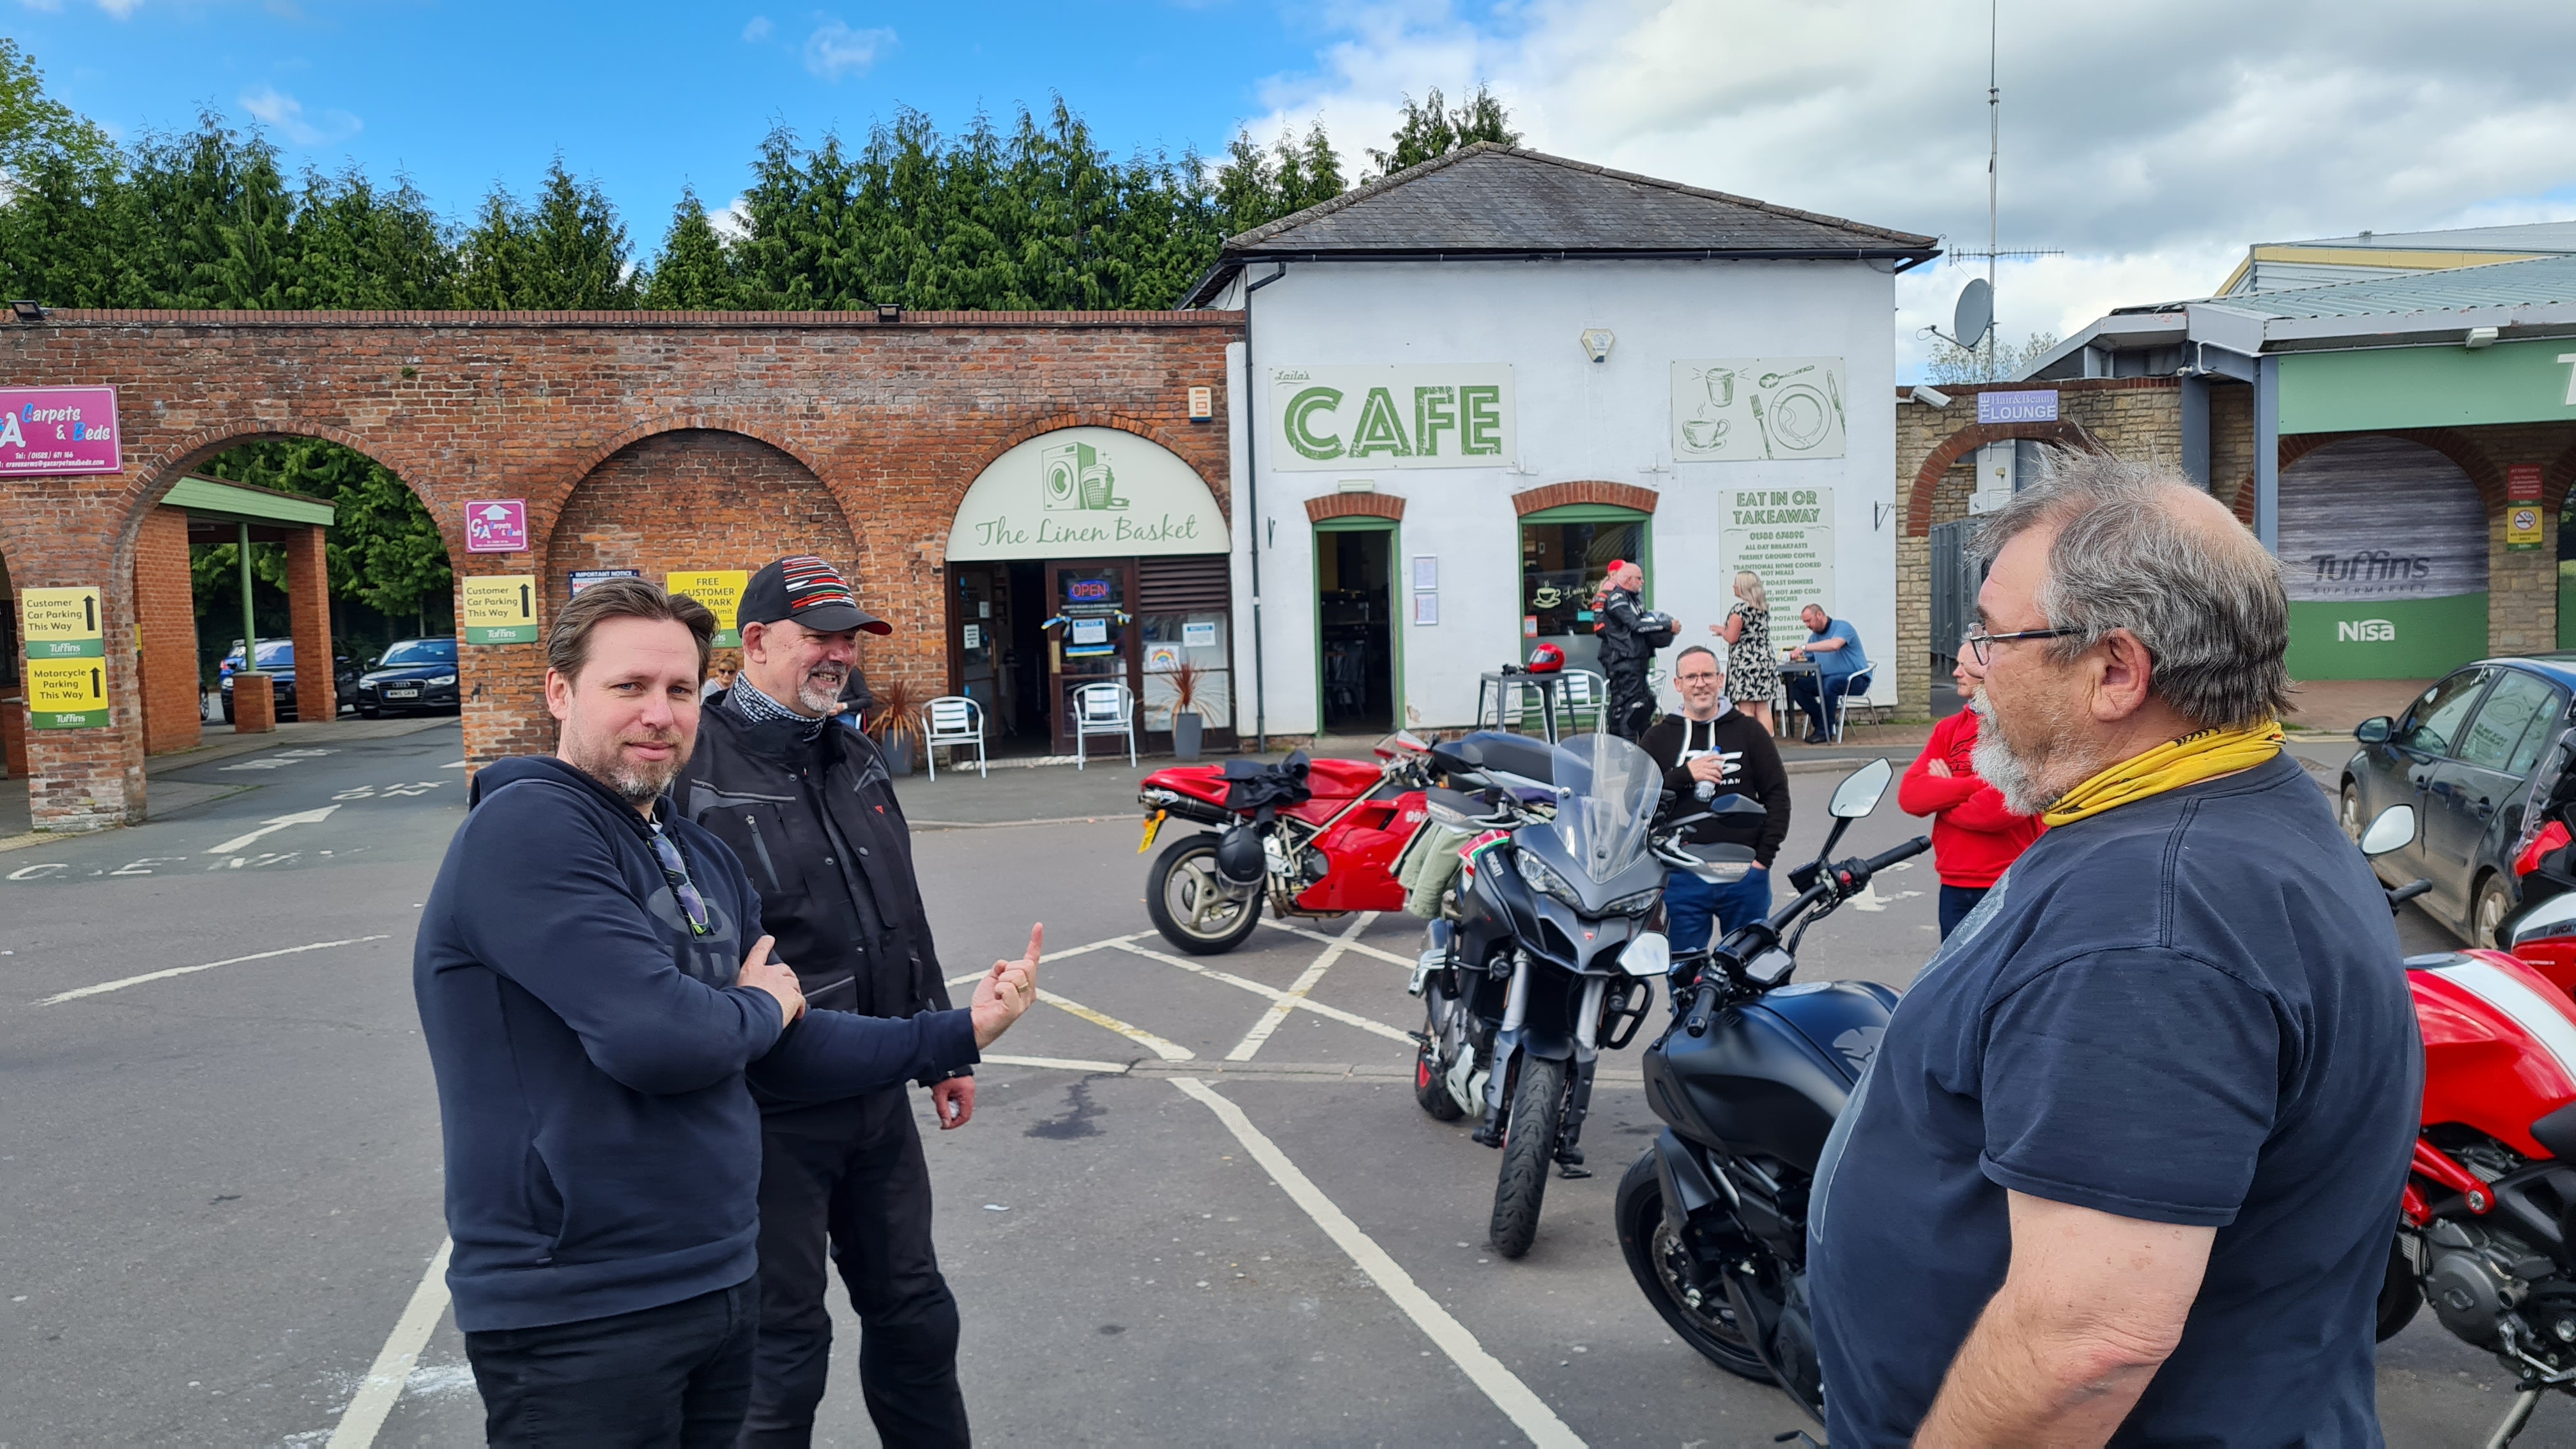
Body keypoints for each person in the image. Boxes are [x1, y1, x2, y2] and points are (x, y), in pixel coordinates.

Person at [1805, 457, 2419, 1445]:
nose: (1973, 665)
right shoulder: (2228, 809)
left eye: (1993, 636)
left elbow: (2086, 1349)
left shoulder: (2153, 917)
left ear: (2117, 671)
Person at [413, 576, 1045, 1448]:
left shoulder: (699, 850)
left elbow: (807, 1017)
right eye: (629, 686)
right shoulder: (529, 826)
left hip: (711, 1276)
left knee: (910, 1315)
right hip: (584, 1307)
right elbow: (658, 1038)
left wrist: (956, 1032)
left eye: (678, 689)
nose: (659, 714)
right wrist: (758, 1005)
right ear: (560, 692)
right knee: (789, 1374)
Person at [670, 556, 973, 1448]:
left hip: (876, 1092)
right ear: (757, 642)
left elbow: (902, 914)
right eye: (819, 637)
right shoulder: (694, 767)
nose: (839, 654)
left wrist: (943, 1047)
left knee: (917, 1313)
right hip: (768, 1113)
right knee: (783, 1348)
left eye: (849, 639)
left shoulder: (856, 753)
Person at [1639, 645, 1788, 953]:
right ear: (1678, 684)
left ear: (1720, 680)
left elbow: (1777, 797)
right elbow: (1638, 800)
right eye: (1691, 677)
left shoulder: (1749, 731)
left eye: (1707, 675)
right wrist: (1684, 775)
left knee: (1748, 964)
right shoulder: (1658, 738)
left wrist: (1763, 860)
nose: (1700, 683)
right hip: (1681, 874)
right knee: (1683, 968)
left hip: (1744, 871)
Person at [1898, 636, 2043, 937]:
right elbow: (1911, 797)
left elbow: (1999, 811)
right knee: (1953, 967)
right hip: (1953, 883)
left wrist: (1945, 792)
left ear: (1993, 669)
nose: (1955, 672)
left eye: (1965, 665)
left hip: (2008, 880)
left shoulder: (2021, 728)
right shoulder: (1947, 729)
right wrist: (1977, 785)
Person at [1593, 559, 1669, 740]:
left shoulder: (1633, 598)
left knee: (1643, 703)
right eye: (1638, 578)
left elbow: (1640, 622)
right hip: (1620, 656)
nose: (1642, 582)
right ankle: (1625, 747)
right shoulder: (1609, 597)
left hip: (1635, 656)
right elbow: (1602, 628)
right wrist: (1666, 626)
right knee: (1631, 705)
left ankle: (1641, 744)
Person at [1784, 602, 1868, 743]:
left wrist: (1804, 647)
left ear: (1819, 615)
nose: (1807, 625)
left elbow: (1834, 645)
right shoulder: (1814, 638)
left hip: (1855, 680)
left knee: (1830, 683)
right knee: (1798, 686)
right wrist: (1794, 660)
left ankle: (1824, 732)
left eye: (1809, 621)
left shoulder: (1842, 627)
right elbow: (1809, 661)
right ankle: (1822, 722)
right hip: (1825, 679)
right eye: (1805, 622)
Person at [1708, 570, 1775, 734]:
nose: (1734, 586)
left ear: (1743, 587)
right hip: (1764, 660)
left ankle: (1751, 742)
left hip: (1746, 663)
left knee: (1746, 707)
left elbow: (1732, 638)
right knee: (1762, 707)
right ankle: (1768, 742)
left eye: (1736, 584)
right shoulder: (1762, 609)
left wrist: (1722, 631)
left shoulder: (1740, 610)